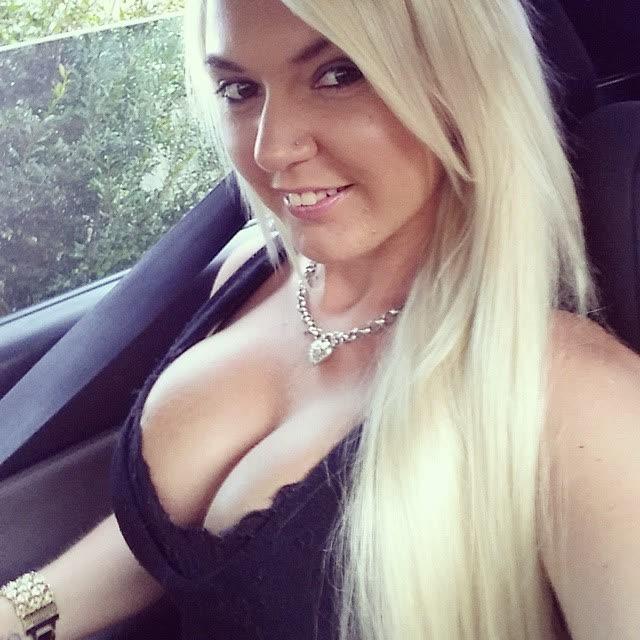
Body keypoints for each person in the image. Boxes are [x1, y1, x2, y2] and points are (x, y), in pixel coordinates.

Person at [1, 0, 639, 638]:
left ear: (464, 85)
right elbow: (171, 548)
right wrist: (18, 614)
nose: (271, 148)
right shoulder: (254, 272)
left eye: (339, 75)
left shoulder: (571, 400)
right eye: (240, 89)